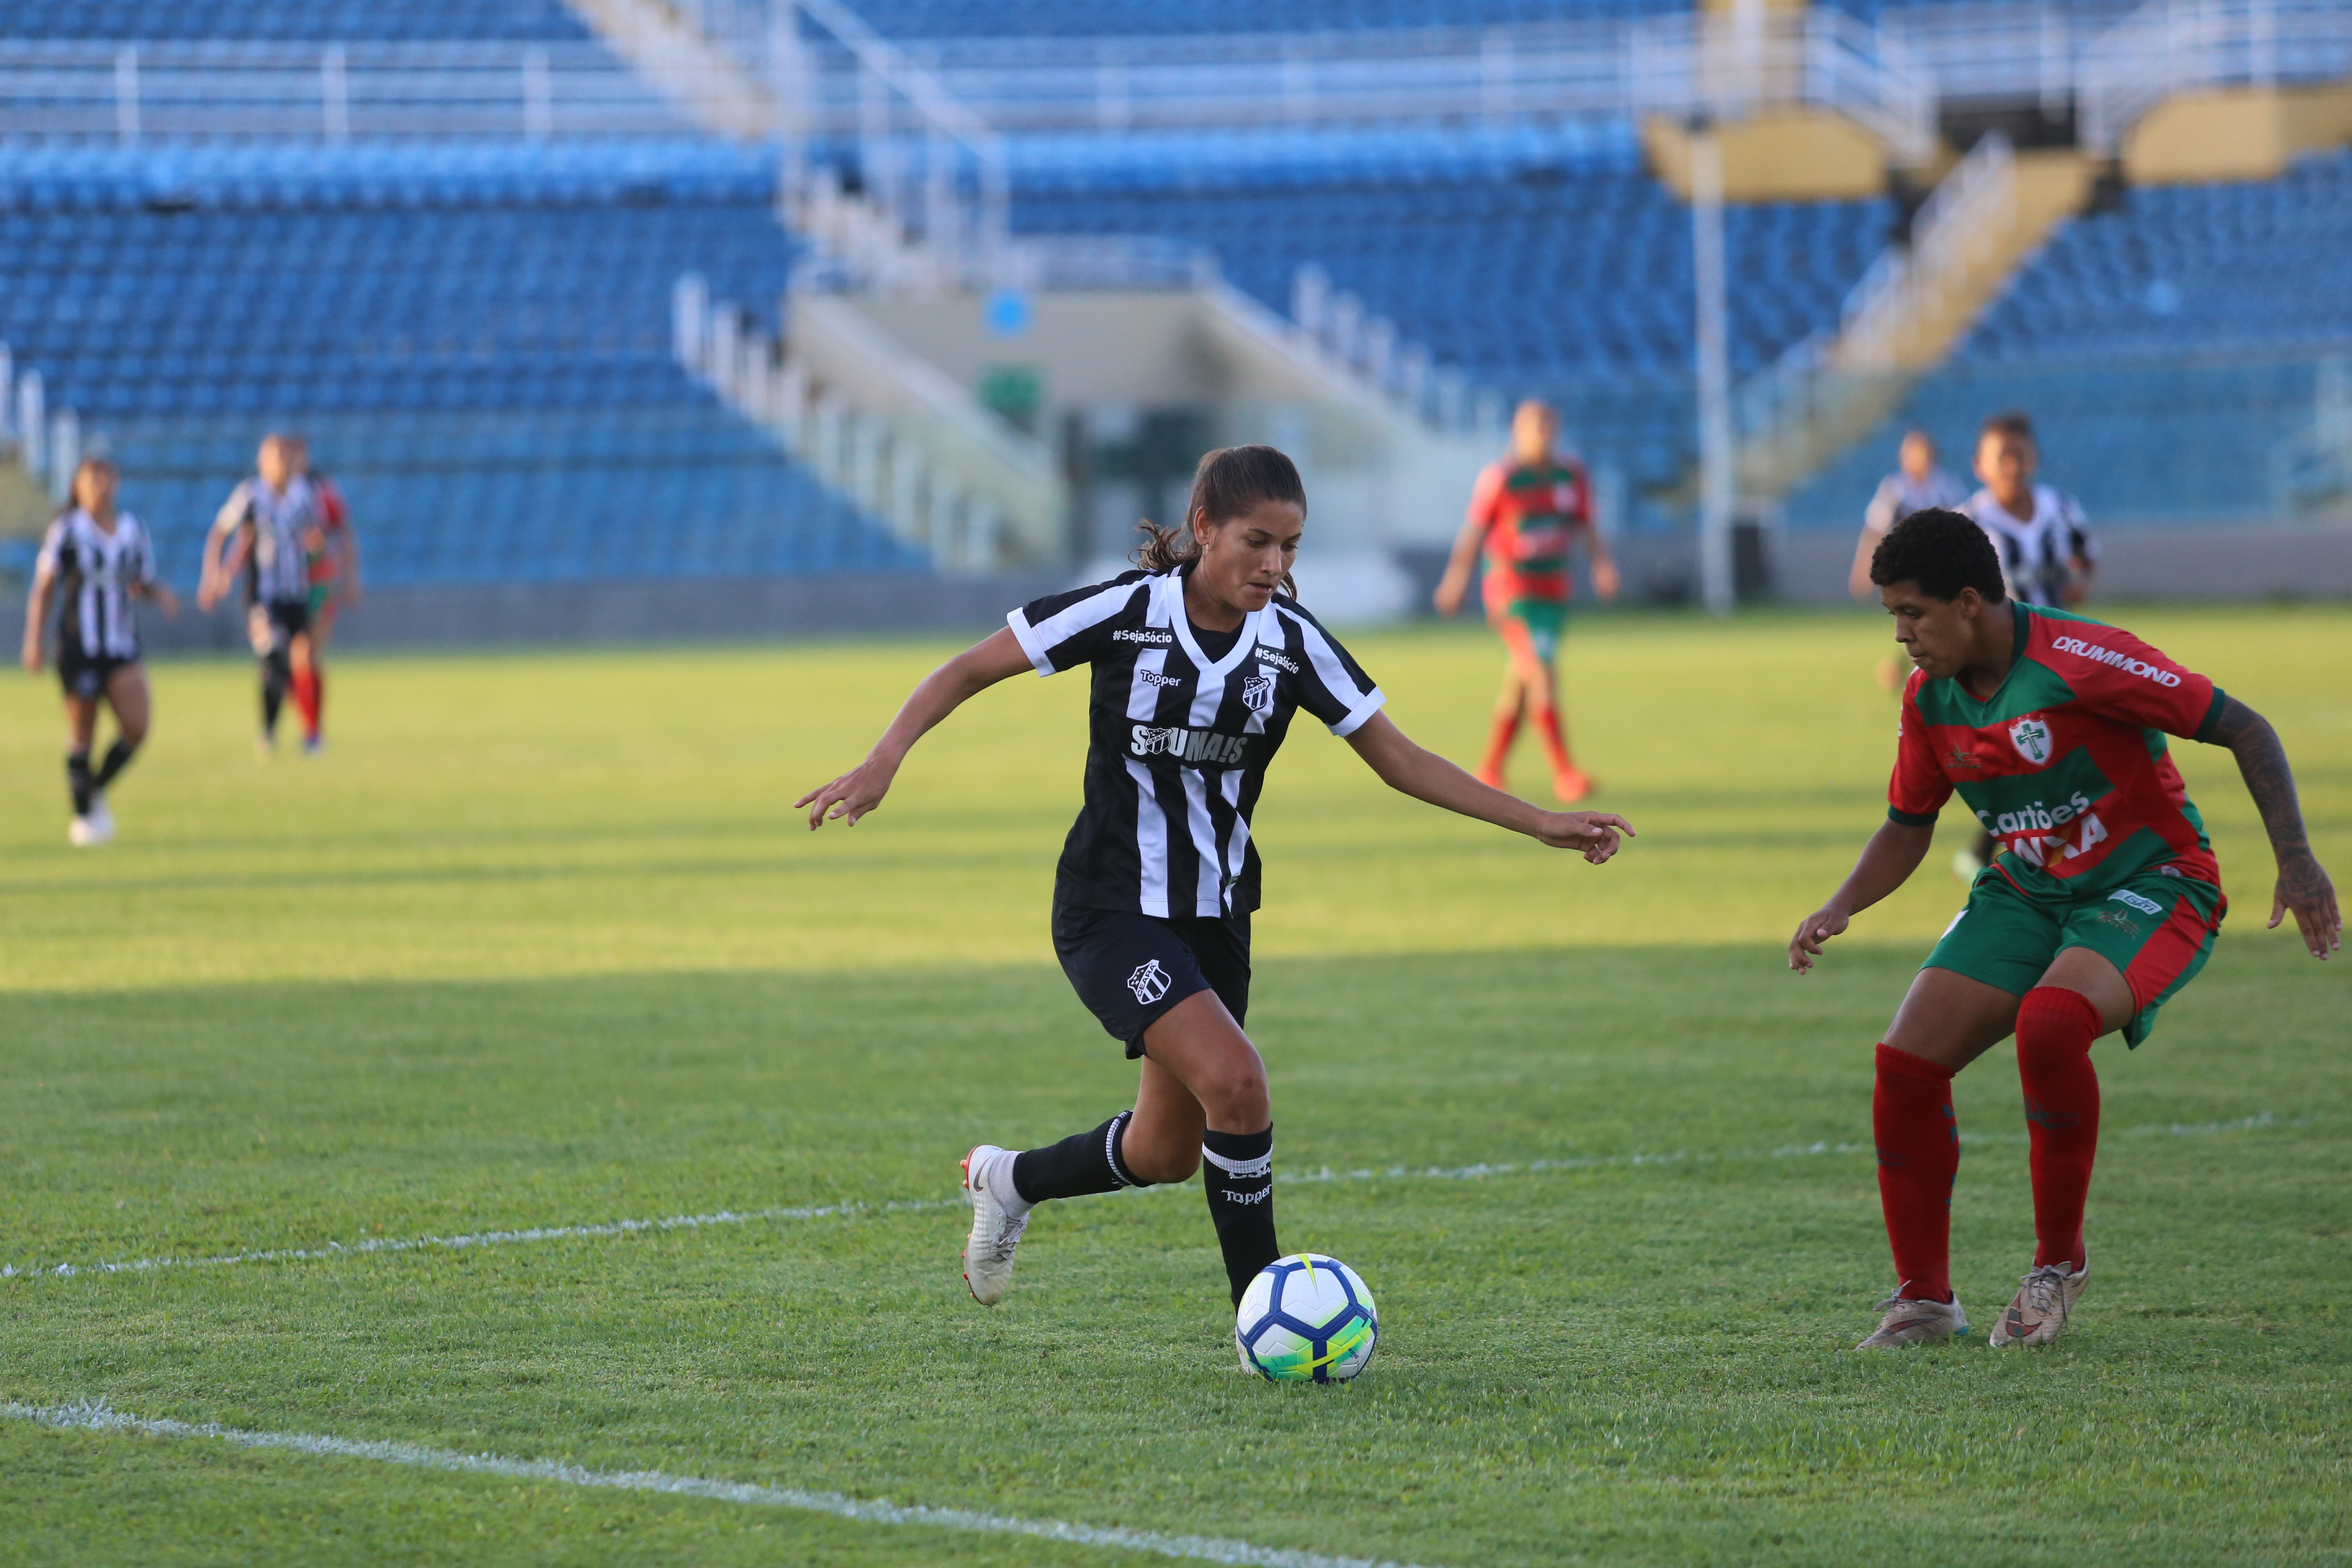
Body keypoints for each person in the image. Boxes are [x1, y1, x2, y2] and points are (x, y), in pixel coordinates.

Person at [796, 446, 1633, 1338]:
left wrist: (1538, 821)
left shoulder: (1292, 642)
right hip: (1111, 908)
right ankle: (1263, 1323)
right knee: (1238, 1083)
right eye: (1256, 542)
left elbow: (1401, 759)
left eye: (1291, 547)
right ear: (1203, 529)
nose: (1274, 564)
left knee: (1164, 1151)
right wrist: (884, 759)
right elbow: (967, 668)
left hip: (1218, 915)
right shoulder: (1127, 612)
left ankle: (1008, 1180)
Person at [1789, 509, 2337, 1352]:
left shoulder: (2085, 661)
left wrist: (2296, 860)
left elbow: (2244, 726)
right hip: (2029, 888)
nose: (1899, 635)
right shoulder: (1930, 698)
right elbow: (1907, 825)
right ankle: (1925, 1302)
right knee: (1905, 1065)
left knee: (2051, 1022)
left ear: (1967, 602)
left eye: (1911, 613)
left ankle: (2057, 1266)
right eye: (1892, 615)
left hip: (2154, 883)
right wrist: (1841, 905)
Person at [1432, 399, 1619, 802]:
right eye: (1536, 428)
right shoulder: (1503, 478)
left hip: (1552, 594)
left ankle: (1490, 769)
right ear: (1518, 433)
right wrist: (1454, 581)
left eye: (1549, 428)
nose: (1544, 436)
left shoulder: (1570, 476)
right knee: (1542, 676)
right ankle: (1566, 774)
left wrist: (1603, 566)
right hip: (1512, 593)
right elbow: (1474, 533)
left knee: (1522, 681)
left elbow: (1588, 526)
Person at [1955, 412, 2100, 879]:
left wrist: (2079, 584)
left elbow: (2087, 556)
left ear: (2033, 458)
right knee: (2041, 752)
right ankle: (2025, 854)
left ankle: (1993, 854)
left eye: (2019, 455)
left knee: (2046, 754)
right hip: (1998, 661)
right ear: (1980, 465)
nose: (2012, 466)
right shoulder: (1966, 524)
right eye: (2002, 457)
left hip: (2058, 651)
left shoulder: (2060, 508)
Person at [18, 456, 180, 846]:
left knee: (137, 727)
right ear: (78, 485)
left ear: (117, 483)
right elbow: (45, 587)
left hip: (122, 644)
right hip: (79, 647)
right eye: (92, 479)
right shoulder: (67, 529)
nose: (100, 486)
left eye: (106, 478)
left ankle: (93, 789)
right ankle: (84, 818)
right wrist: (33, 641)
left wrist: (158, 593)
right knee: (82, 735)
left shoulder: (132, 529)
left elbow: (139, 580)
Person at [199, 432, 330, 756]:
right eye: (276, 457)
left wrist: (317, 548)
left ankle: (312, 734)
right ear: (263, 461)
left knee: (305, 659)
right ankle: (269, 731)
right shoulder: (251, 495)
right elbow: (222, 533)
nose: (283, 464)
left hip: (297, 592)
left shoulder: (304, 494)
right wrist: (214, 577)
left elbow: (317, 536)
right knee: (275, 658)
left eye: (287, 457)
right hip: (263, 596)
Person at [290, 436, 359, 751]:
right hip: (281, 586)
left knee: (309, 654)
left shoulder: (322, 490)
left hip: (316, 582)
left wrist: (350, 578)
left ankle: (313, 730)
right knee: (287, 657)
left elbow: (342, 531)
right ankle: (307, 723)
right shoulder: (263, 493)